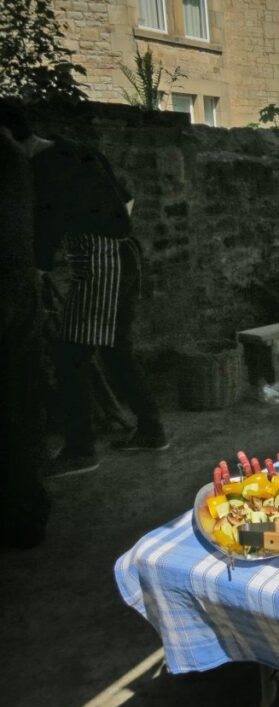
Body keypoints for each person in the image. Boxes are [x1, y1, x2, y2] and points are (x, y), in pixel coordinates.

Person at [0, 101, 168, 479]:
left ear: (10, 136)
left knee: (69, 353)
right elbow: (127, 199)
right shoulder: (77, 149)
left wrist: (38, 269)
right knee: (113, 350)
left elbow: (47, 226)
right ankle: (150, 430)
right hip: (114, 257)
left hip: (102, 261)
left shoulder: (42, 167)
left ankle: (81, 449)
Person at [0, 118, 49, 546]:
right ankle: (26, 510)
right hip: (20, 291)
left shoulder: (9, 160)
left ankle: (23, 512)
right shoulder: (16, 161)